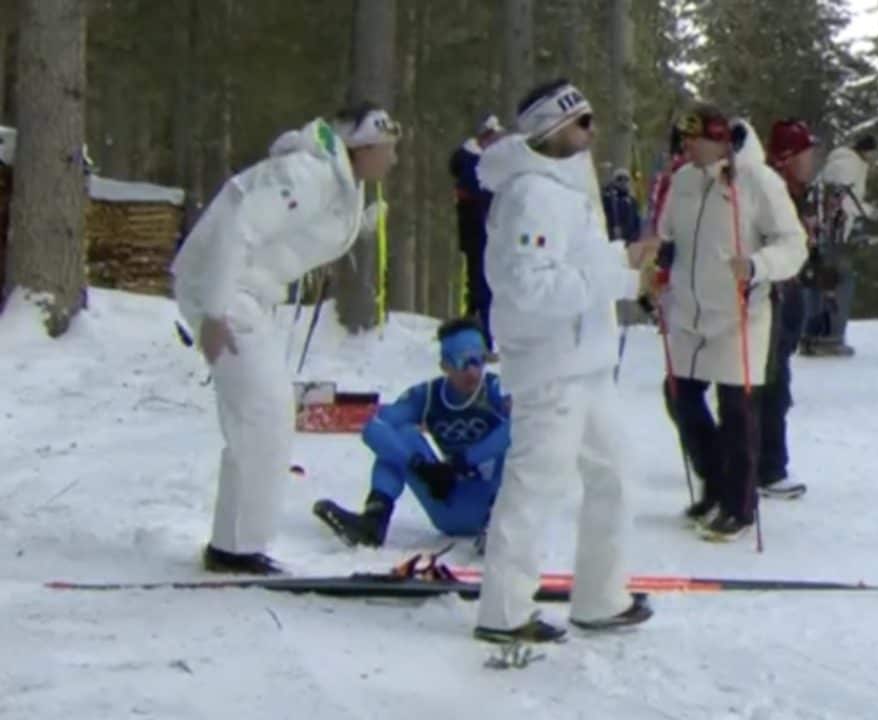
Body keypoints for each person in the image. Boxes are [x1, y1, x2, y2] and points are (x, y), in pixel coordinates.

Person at [170, 101, 400, 575]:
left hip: (245, 294)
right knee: (264, 414)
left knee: (260, 417)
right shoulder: (308, 175)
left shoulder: (336, 182)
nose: (392, 161)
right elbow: (241, 226)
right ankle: (236, 548)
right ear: (364, 147)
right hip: (226, 291)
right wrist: (214, 312)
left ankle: (235, 543)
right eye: (387, 149)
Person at [472, 78, 660, 643]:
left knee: (617, 475)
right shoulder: (532, 193)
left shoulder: (567, 185)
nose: (592, 131)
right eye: (582, 122)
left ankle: (601, 597)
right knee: (535, 487)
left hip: (587, 361)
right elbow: (529, 287)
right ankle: (503, 611)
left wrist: (625, 264)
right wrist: (618, 274)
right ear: (552, 130)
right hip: (552, 367)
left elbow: (577, 263)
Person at [650, 104, 808, 542]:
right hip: (688, 311)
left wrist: (758, 265)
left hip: (741, 311)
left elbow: (794, 244)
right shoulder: (681, 181)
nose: (688, 147)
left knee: (738, 408)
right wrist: (659, 261)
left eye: (696, 138)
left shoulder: (758, 182)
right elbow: (668, 235)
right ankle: (715, 480)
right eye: (684, 138)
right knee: (679, 394)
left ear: (721, 140)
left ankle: (739, 505)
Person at [312, 318, 510, 552]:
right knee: (402, 436)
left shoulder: (497, 390)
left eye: (478, 361)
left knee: (518, 445)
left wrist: (463, 462)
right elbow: (373, 428)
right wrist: (420, 467)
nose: (473, 372)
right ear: (445, 365)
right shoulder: (426, 395)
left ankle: (499, 531)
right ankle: (374, 520)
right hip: (447, 500)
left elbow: (520, 430)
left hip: (493, 503)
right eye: (463, 363)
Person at [757, 118, 821, 500]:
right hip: (773, 296)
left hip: (789, 294)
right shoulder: (772, 190)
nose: (811, 161)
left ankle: (763, 462)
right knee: (770, 383)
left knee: (776, 378)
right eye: (805, 153)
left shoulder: (798, 192)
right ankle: (767, 466)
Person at [800, 133, 878, 357]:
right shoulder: (849, 165)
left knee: (821, 282)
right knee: (839, 282)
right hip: (832, 234)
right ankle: (830, 337)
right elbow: (841, 200)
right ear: (866, 151)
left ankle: (811, 335)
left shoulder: (838, 162)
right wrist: (868, 211)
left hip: (821, 234)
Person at [450, 114, 506, 349]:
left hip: (481, 232)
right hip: (478, 233)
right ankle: (484, 340)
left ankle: (475, 336)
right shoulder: (474, 162)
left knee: (478, 288)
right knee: (481, 286)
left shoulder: (474, 161)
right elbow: (481, 193)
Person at [602, 167, 641, 244]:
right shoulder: (608, 200)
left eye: (626, 179)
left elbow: (636, 223)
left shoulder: (632, 201)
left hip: (628, 242)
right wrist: (611, 232)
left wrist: (633, 238)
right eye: (619, 179)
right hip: (612, 242)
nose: (623, 182)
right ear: (614, 181)